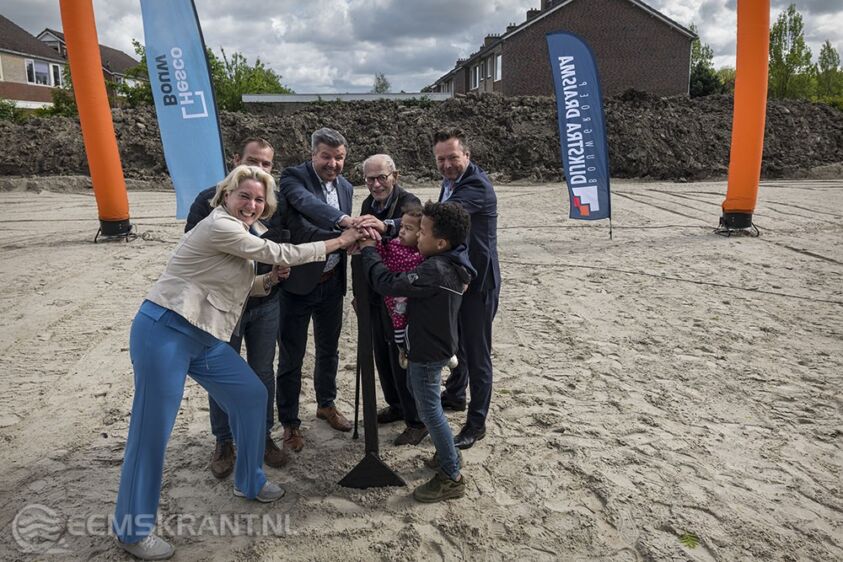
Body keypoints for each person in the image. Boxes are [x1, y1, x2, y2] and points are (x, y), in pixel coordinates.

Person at [113, 165, 360, 560]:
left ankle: (249, 481)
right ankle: (131, 529)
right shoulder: (219, 225)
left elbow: (245, 284)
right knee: (150, 433)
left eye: (259, 199)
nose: (251, 204)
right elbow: (282, 252)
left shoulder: (246, 232)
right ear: (226, 195)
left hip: (205, 338)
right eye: (244, 195)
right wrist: (340, 240)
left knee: (250, 396)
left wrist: (270, 281)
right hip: (165, 332)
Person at [184, 138, 288, 479]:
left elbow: (284, 242)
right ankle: (224, 440)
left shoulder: (273, 201)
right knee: (221, 377)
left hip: (265, 303)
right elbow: (198, 252)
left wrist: (276, 274)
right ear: (236, 161)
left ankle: (262, 437)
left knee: (262, 372)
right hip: (224, 308)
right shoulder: (208, 201)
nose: (259, 168)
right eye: (252, 161)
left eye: (267, 164)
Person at [359, 201, 475, 502]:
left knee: (429, 411)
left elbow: (388, 283)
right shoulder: (452, 259)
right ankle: (446, 453)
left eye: (421, 233)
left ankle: (452, 476)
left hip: (427, 350)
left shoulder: (434, 270)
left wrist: (370, 250)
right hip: (433, 344)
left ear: (440, 242)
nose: (416, 238)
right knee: (421, 395)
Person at [275, 128, 355, 452]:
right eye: (326, 156)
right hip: (297, 284)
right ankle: (290, 423)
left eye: (339, 158)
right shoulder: (293, 179)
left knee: (329, 350)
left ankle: (326, 404)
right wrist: (346, 226)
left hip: (331, 284)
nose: (333, 164)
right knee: (292, 357)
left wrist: (353, 237)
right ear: (313, 154)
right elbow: (303, 223)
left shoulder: (347, 187)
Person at [351, 154, 427, 446]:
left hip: (401, 295)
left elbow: (410, 227)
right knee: (381, 354)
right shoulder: (368, 204)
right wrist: (360, 294)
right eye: (370, 179)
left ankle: (416, 420)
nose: (376, 184)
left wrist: (385, 229)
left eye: (382, 177)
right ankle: (396, 405)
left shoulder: (409, 200)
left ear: (395, 175)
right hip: (375, 291)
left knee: (401, 358)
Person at [433, 128, 501, 450]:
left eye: (453, 158)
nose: (447, 164)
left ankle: (476, 424)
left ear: (468, 156)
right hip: (459, 278)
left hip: (479, 283)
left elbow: (440, 219)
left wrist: (394, 225)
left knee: (477, 354)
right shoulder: (450, 182)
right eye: (441, 159)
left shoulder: (475, 186)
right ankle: (456, 396)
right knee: (456, 342)